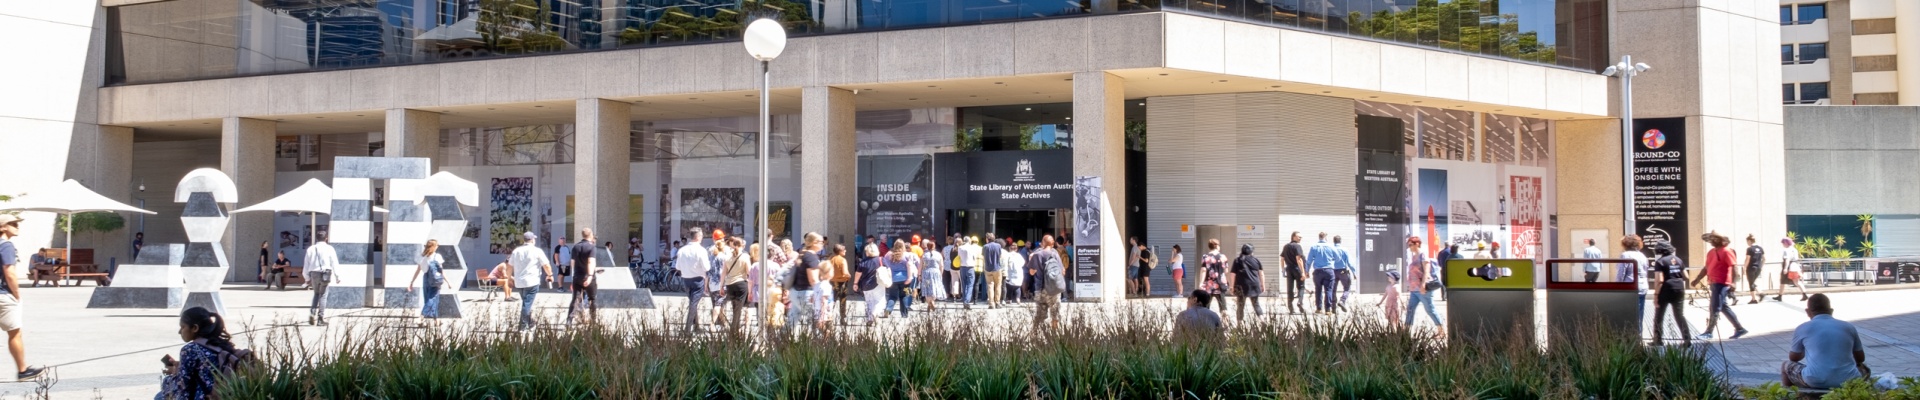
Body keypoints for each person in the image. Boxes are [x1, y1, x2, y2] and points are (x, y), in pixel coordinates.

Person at [1781, 294, 1871, 390]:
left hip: (1814, 379)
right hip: (1848, 379)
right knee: (1864, 368)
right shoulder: (1848, 327)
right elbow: (1860, 358)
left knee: (1786, 365)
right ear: (1831, 311)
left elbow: (1793, 357)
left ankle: (1788, 395)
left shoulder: (1802, 328)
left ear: (1807, 311)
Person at [157, 307, 244, 399]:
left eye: (182, 327)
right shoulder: (222, 344)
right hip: (227, 396)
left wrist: (172, 376)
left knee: (159, 396)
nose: (179, 332)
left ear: (195, 328)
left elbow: (183, 392)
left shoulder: (190, 349)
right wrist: (180, 368)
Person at [0, 216, 45, 381]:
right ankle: (22, 370)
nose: (17, 226)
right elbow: (9, 272)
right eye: (13, 224)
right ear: (3, 227)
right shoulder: (6, 246)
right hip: (3, 295)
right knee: (15, 333)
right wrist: (17, 294)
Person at [1692, 233, 1750, 340]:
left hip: (1722, 283)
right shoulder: (1711, 252)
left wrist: (1734, 282)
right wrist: (1697, 279)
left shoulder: (1727, 251)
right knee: (1722, 306)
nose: (1711, 242)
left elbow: (1734, 268)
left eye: (1713, 240)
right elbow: (1706, 267)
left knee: (1715, 307)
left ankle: (1709, 332)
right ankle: (1739, 328)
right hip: (1713, 282)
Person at [1646, 240, 1693, 345]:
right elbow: (1686, 276)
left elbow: (1660, 280)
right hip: (1679, 289)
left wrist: (1656, 295)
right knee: (1679, 315)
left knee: (1659, 316)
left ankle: (1658, 340)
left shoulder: (1660, 262)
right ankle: (1687, 339)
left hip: (1665, 290)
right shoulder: (1679, 260)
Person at [510, 232, 556, 331]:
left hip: (519, 282)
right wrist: (550, 275)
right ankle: (523, 326)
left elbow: (510, 265)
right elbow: (546, 265)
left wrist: (509, 277)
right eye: (534, 239)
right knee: (527, 303)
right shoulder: (537, 251)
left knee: (526, 302)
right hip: (532, 281)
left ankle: (531, 322)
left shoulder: (516, 251)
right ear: (532, 240)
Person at [673, 228, 712, 333]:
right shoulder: (701, 250)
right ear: (698, 237)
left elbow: (678, 266)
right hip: (698, 279)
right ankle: (688, 328)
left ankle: (696, 326)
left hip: (686, 279)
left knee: (693, 302)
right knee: (693, 304)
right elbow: (707, 268)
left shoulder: (682, 250)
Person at [1403, 236, 1442, 334]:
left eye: (1411, 245)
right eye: (1409, 245)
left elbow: (1427, 271)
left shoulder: (1423, 255)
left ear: (1417, 244)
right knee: (1410, 309)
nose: (1409, 247)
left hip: (1422, 289)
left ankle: (1441, 330)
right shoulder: (1413, 256)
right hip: (1414, 289)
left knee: (1430, 309)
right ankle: (1406, 331)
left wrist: (1423, 284)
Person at [790, 232, 826, 334]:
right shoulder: (811, 257)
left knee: (792, 320)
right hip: (807, 293)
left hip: (796, 291)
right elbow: (813, 279)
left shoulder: (803, 254)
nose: (822, 244)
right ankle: (818, 345)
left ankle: (780, 342)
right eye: (821, 242)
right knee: (815, 322)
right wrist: (818, 293)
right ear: (814, 243)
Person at [567, 229, 604, 325]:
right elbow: (590, 262)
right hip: (588, 276)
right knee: (592, 298)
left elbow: (572, 263)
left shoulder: (575, 247)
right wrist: (590, 275)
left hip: (577, 276)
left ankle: (569, 321)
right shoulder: (591, 247)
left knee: (575, 299)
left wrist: (574, 276)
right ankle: (593, 321)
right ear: (591, 235)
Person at [407, 239, 450, 322]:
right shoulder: (437, 256)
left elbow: (418, 270)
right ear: (434, 247)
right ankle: (422, 316)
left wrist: (412, 282)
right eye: (437, 245)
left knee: (429, 299)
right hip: (435, 280)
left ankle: (436, 321)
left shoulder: (422, 257)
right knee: (432, 299)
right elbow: (441, 271)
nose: (438, 246)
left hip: (426, 279)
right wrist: (448, 282)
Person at [1028, 235, 1066, 329]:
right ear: (1052, 243)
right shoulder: (1055, 254)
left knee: (1040, 314)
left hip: (1041, 289)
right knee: (1055, 313)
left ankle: (1035, 333)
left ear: (1043, 243)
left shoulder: (1037, 255)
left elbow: (1031, 272)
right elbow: (1062, 271)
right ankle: (1054, 335)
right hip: (1054, 288)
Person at [303, 232, 340, 326]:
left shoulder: (310, 249)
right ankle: (320, 318)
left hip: (314, 273)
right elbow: (334, 262)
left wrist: (306, 277)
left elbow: (306, 264)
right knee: (323, 295)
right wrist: (337, 276)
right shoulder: (329, 248)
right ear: (326, 238)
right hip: (325, 273)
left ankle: (312, 315)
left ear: (316, 238)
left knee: (316, 294)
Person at [719, 237, 751, 331]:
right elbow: (749, 272)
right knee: (739, 308)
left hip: (730, 284)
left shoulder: (727, 257)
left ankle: (735, 328)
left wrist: (721, 286)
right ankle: (734, 329)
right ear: (742, 245)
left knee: (734, 307)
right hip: (741, 283)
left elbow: (723, 272)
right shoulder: (745, 256)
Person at [1227, 244, 1264, 321]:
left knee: (1240, 305)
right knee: (1256, 304)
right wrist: (1262, 285)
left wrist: (1231, 286)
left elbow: (1233, 274)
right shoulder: (1256, 260)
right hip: (1254, 285)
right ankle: (1262, 320)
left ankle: (1239, 325)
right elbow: (1261, 273)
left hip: (1241, 286)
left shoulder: (1237, 260)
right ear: (1251, 251)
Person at [1618, 235, 1650, 320]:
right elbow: (1646, 271)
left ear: (1625, 244)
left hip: (1629, 287)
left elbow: (1621, 274)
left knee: (1628, 315)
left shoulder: (1625, 255)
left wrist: (1618, 286)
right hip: (1642, 286)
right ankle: (1639, 332)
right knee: (1639, 314)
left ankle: (1629, 332)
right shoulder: (1643, 256)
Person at [884, 240, 918, 318]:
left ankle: (888, 309)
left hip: (893, 279)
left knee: (892, 296)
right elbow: (909, 266)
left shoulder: (888, 255)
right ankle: (904, 314)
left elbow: (886, 266)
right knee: (905, 295)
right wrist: (909, 278)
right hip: (905, 279)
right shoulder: (906, 255)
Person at [1307, 232, 1339, 314]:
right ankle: (1328, 309)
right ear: (1326, 238)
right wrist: (1331, 260)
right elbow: (1338, 258)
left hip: (1317, 271)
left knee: (1318, 289)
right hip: (1329, 270)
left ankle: (1319, 308)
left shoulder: (1314, 247)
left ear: (1319, 237)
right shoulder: (1331, 246)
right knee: (1328, 289)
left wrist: (1306, 271)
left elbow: (1309, 261)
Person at [853, 244, 884, 326]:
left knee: (869, 302)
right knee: (879, 301)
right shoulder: (881, 260)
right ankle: (875, 313)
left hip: (866, 285)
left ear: (867, 252)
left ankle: (870, 319)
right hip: (878, 284)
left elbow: (858, 273)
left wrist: (855, 283)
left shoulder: (863, 261)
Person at [1197, 240, 1229, 311]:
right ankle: (1225, 321)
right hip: (1220, 284)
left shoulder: (1205, 257)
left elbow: (1203, 270)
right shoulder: (1223, 256)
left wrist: (1201, 283)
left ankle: (1206, 321)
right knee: (1223, 307)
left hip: (1209, 285)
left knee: (1206, 306)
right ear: (1217, 246)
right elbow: (1226, 271)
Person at [1280, 232, 1307, 313]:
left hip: (1289, 269)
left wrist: (1283, 269)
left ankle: (1290, 307)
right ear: (1294, 237)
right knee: (1301, 286)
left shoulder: (1286, 246)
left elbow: (1282, 258)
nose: (1300, 238)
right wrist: (1302, 272)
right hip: (1297, 268)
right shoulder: (1297, 246)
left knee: (1290, 288)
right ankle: (1300, 302)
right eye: (1299, 237)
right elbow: (1299, 259)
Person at [1776, 237, 1809, 302]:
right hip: (1795, 266)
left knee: (1783, 281)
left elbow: (1787, 259)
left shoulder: (1786, 250)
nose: (1782, 244)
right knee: (1796, 282)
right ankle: (1804, 294)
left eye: (1783, 243)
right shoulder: (1794, 249)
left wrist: (1785, 268)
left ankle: (1780, 296)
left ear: (1785, 243)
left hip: (1790, 266)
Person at [920, 239, 947, 312]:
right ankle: (932, 302)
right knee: (935, 288)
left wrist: (919, 275)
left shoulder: (924, 255)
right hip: (936, 272)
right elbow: (941, 265)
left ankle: (930, 303)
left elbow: (921, 266)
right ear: (934, 246)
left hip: (926, 273)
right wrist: (941, 274)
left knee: (927, 289)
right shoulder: (938, 254)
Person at [830, 244, 853, 323]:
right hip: (842, 282)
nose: (845, 251)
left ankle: (828, 315)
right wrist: (849, 276)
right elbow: (845, 272)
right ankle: (842, 318)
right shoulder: (842, 260)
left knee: (832, 300)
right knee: (842, 300)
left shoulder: (831, 259)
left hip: (832, 281)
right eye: (844, 250)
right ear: (840, 251)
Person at [1333, 235, 1357, 311]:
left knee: (1333, 289)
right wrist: (1354, 272)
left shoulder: (1331, 249)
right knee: (1347, 287)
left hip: (1332, 271)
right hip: (1343, 271)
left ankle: (1333, 306)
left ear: (1334, 241)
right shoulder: (1344, 250)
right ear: (1340, 241)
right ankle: (1342, 300)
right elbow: (1350, 262)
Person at [1742, 234, 1767, 304]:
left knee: (1751, 283)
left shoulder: (1749, 249)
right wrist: (1761, 266)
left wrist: (1744, 267)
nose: (1747, 243)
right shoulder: (1760, 248)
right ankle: (1760, 293)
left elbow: (1747, 259)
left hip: (1751, 267)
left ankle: (1754, 299)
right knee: (1753, 282)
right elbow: (1764, 259)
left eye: (1747, 241)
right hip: (1758, 267)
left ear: (1749, 241)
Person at [982, 233, 1004, 308]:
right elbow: (1000, 256)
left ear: (987, 239)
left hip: (988, 268)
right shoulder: (998, 246)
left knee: (990, 285)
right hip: (997, 268)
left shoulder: (985, 246)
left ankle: (991, 303)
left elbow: (983, 257)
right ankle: (997, 302)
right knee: (998, 285)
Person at [1003, 239, 1026, 305]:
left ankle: (1009, 299)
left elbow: (1005, 263)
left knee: (1009, 287)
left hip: (1009, 273)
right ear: (1016, 249)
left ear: (1010, 248)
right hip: (1018, 273)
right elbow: (1023, 263)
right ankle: (1018, 299)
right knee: (1017, 287)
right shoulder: (1019, 255)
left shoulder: (1007, 255)